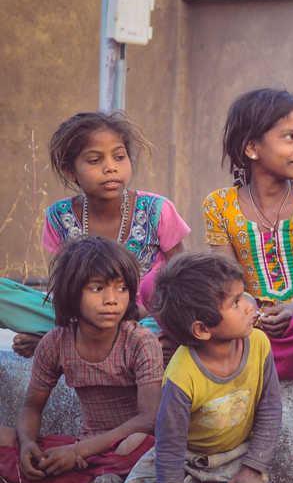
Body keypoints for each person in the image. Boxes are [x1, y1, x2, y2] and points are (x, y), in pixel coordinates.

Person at [1, 112, 189, 359]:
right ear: (71, 171)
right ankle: (101, 343)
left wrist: (150, 315)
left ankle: (58, 343)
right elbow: (66, 287)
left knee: (175, 310)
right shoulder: (59, 216)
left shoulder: (158, 210)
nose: (111, 167)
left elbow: (183, 280)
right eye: (94, 160)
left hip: (147, 319)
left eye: (119, 157)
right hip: (87, 318)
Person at [122, 252, 282, 483]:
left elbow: (270, 409)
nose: (249, 306)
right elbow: (170, 443)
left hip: (234, 456)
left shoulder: (259, 344)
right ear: (202, 329)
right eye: (235, 302)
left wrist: (253, 469)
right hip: (186, 457)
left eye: (243, 296)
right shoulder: (183, 373)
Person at [0, 236, 161, 483]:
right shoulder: (55, 343)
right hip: (86, 447)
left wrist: (76, 454)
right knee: (6, 439)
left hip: (125, 445)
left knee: (143, 446)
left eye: (122, 289)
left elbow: (149, 419)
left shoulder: (140, 342)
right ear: (72, 294)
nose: (112, 299)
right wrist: (28, 443)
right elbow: (31, 406)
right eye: (97, 289)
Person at [205, 88, 293, 380]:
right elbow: (230, 281)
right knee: (209, 327)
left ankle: (256, 361)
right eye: (290, 137)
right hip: (251, 323)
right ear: (252, 147)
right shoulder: (219, 205)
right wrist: (252, 311)